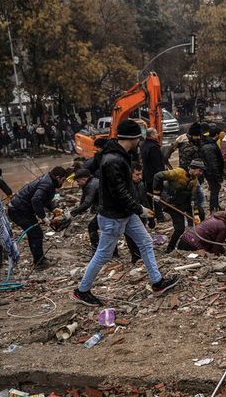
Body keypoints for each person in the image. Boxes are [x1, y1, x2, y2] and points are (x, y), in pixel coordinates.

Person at [71, 120, 179, 307]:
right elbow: (119, 192)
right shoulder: (113, 160)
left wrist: (134, 208)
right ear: (133, 138)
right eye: (139, 138)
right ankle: (82, 291)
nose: (140, 142)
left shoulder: (120, 154)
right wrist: (139, 208)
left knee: (145, 242)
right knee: (103, 255)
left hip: (125, 213)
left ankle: (157, 282)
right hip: (114, 216)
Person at [7, 166, 67, 268]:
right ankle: (39, 263)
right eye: (63, 180)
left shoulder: (49, 180)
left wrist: (53, 208)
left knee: (35, 233)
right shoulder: (47, 183)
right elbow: (36, 200)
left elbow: (44, 198)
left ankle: (39, 259)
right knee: (36, 233)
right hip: (18, 211)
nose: (63, 183)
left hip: (22, 210)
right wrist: (43, 217)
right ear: (57, 177)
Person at [153, 159, 205, 254]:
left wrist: (196, 214)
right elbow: (158, 176)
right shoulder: (178, 172)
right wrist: (156, 193)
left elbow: (194, 198)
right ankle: (170, 248)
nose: (201, 173)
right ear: (194, 168)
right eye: (200, 171)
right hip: (172, 203)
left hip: (184, 203)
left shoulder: (194, 180)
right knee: (180, 228)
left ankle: (198, 238)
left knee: (201, 213)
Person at [140, 128, 165, 225]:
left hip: (147, 176)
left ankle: (151, 218)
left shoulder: (143, 145)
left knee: (149, 197)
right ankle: (159, 217)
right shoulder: (154, 147)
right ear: (151, 135)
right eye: (155, 133)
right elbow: (157, 163)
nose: (157, 134)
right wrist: (161, 175)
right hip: (155, 176)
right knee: (157, 196)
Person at [200, 128, 224, 212]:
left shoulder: (210, 144)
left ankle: (216, 206)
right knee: (214, 190)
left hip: (210, 172)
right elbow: (213, 163)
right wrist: (218, 176)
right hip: (211, 173)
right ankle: (213, 209)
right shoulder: (209, 146)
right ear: (217, 135)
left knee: (215, 190)